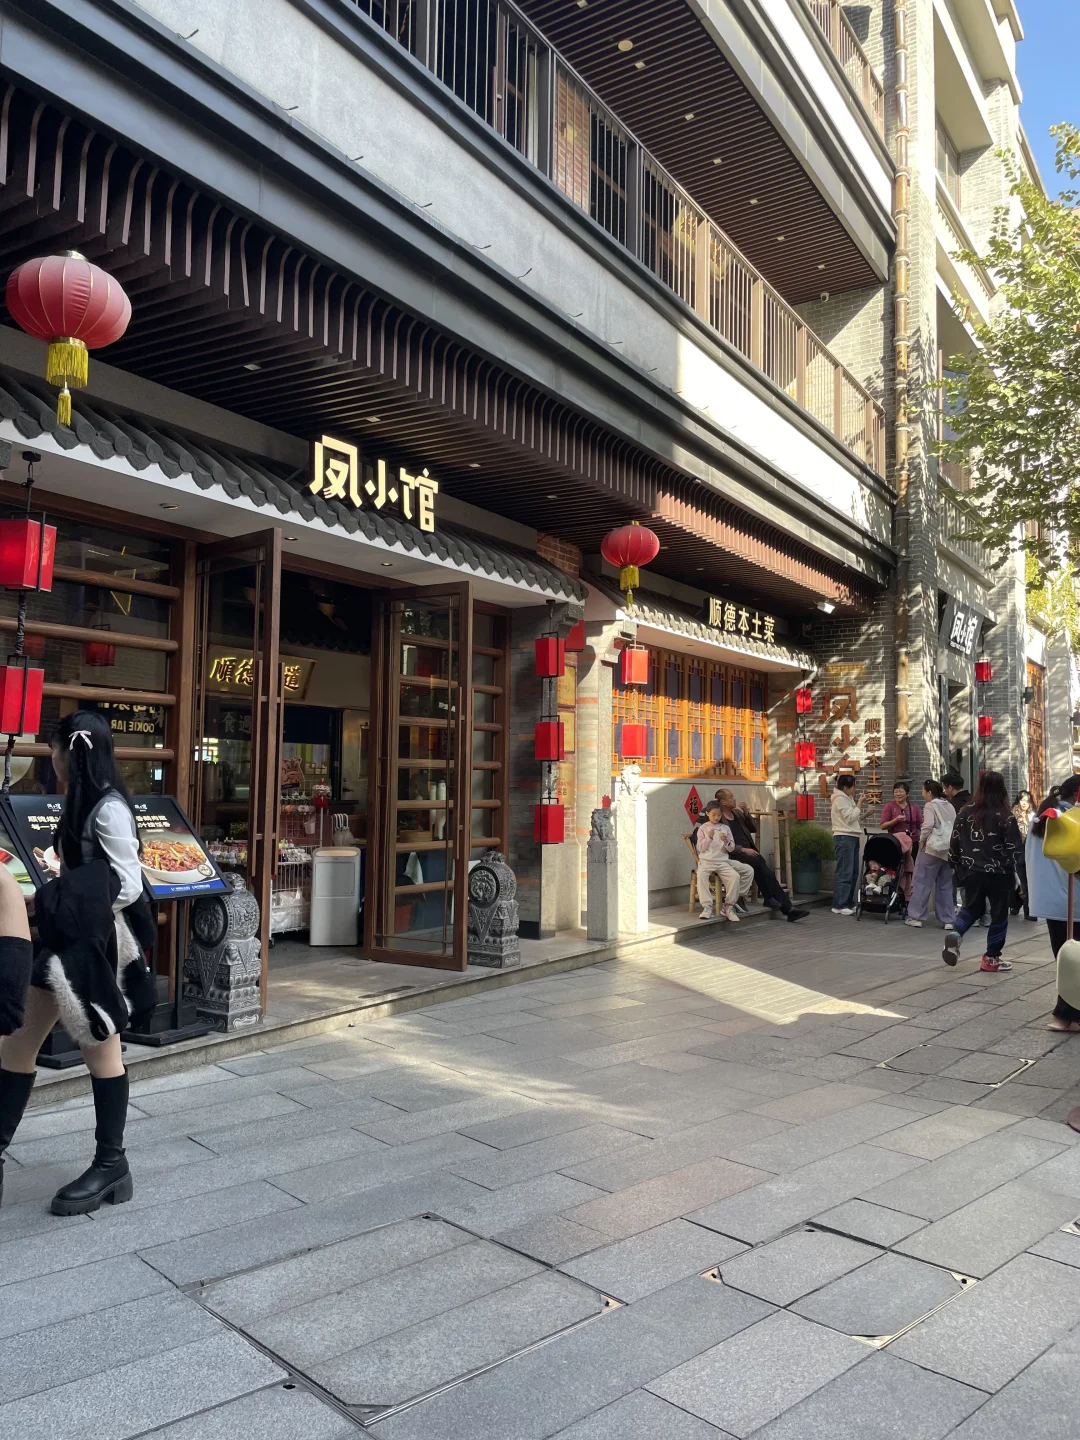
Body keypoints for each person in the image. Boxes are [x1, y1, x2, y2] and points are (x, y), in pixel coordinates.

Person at [0, 711, 154, 1214]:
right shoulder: (86, 800)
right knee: (17, 1041)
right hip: (69, 939)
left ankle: (113, 1167)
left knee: (101, 1052)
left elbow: (129, 884)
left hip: (94, 948)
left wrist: (64, 894)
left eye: (55, 749)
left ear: (74, 751)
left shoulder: (108, 809)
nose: (52, 758)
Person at [942, 769, 1023, 971]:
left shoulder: (965, 812)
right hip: (1000, 873)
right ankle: (991, 959)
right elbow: (1015, 849)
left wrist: (956, 866)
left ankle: (955, 934)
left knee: (972, 907)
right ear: (1001, 789)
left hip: (972, 870)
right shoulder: (1005, 815)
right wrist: (1021, 877)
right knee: (998, 914)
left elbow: (954, 842)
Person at [1027, 776, 1080, 1029]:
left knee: (1064, 958)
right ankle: (1063, 1015)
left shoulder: (1041, 818)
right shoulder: (1071, 820)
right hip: (1074, 901)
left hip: (1050, 902)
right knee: (1074, 959)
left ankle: (1069, 1016)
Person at [714, 789, 809, 922]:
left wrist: (747, 813)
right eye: (731, 797)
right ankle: (782, 905)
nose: (734, 799)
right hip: (733, 854)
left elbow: (754, 828)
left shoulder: (737, 813)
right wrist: (743, 850)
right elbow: (721, 843)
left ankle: (776, 902)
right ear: (722, 802)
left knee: (761, 867)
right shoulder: (718, 818)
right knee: (762, 866)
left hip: (750, 852)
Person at [906, 780, 956, 928]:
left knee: (922, 881)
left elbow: (927, 825)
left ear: (929, 792)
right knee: (945, 884)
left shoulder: (930, 805)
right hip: (947, 849)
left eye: (923, 791)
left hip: (932, 849)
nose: (922, 794)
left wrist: (922, 841)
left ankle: (916, 916)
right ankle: (948, 920)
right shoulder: (950, 805)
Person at [695, 800, 754, 922]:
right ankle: (707, 907)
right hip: (706, 861)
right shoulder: (703, 828)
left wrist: (726, 841)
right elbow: (700, 848)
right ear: (707, 814)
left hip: (722, 862)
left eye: (719, 815)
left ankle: (729, 906)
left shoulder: (725, 828)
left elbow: (731, 848)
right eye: (714, 815)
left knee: (735, 877)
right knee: (701, 876)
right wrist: (709, 838)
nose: (716, 817)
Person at [880, 780, 921, 898]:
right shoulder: (890, 807)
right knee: (895, 869)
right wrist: (895, 820)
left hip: (912, 843)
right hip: (895, 844)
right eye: (895, 792)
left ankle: (908, 897)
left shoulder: (914, 807)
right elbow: (883, 825)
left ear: (907, 794)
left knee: (910, 870)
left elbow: (920, 824)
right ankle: (894, 895)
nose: (898, 794)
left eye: (901, 791)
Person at [830, 774, 863, 916]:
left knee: (853, 872)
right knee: (845, 871)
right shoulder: (840, 799)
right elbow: (849, 818)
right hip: (844, 837)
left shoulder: (847, 798)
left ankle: (848, 902)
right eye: (853, 786)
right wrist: (860, 803)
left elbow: (853, 817)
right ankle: (839, 904)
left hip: (852, 836)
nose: (855, 789)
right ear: (845, 787)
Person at [1011, 790, 1036, 918]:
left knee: (1027, 882)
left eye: (1027, 800)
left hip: (1031, 852)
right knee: (1022, 883)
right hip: (1017, 853)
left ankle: (1017, 904)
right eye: (1022, 800)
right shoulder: (1013, 815)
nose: (1024, 803)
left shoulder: (1033, 815)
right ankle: (1028, 911)